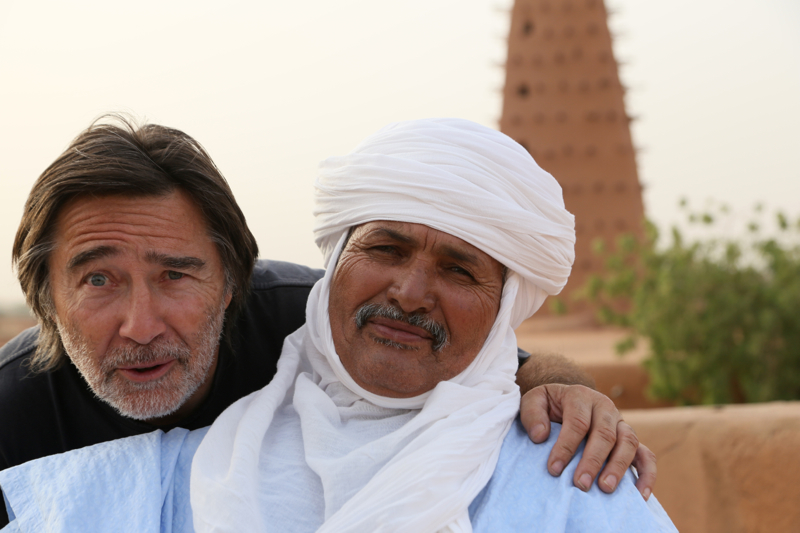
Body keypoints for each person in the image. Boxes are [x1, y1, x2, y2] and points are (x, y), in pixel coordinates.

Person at [0, 118, 674, 532]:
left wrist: (567, 387)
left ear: (232, 284)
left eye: (177, 274)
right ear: (45, 299)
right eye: (97, 279)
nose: (141, 323)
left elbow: (493, 361)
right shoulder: (32, 416)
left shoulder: (312, 315)